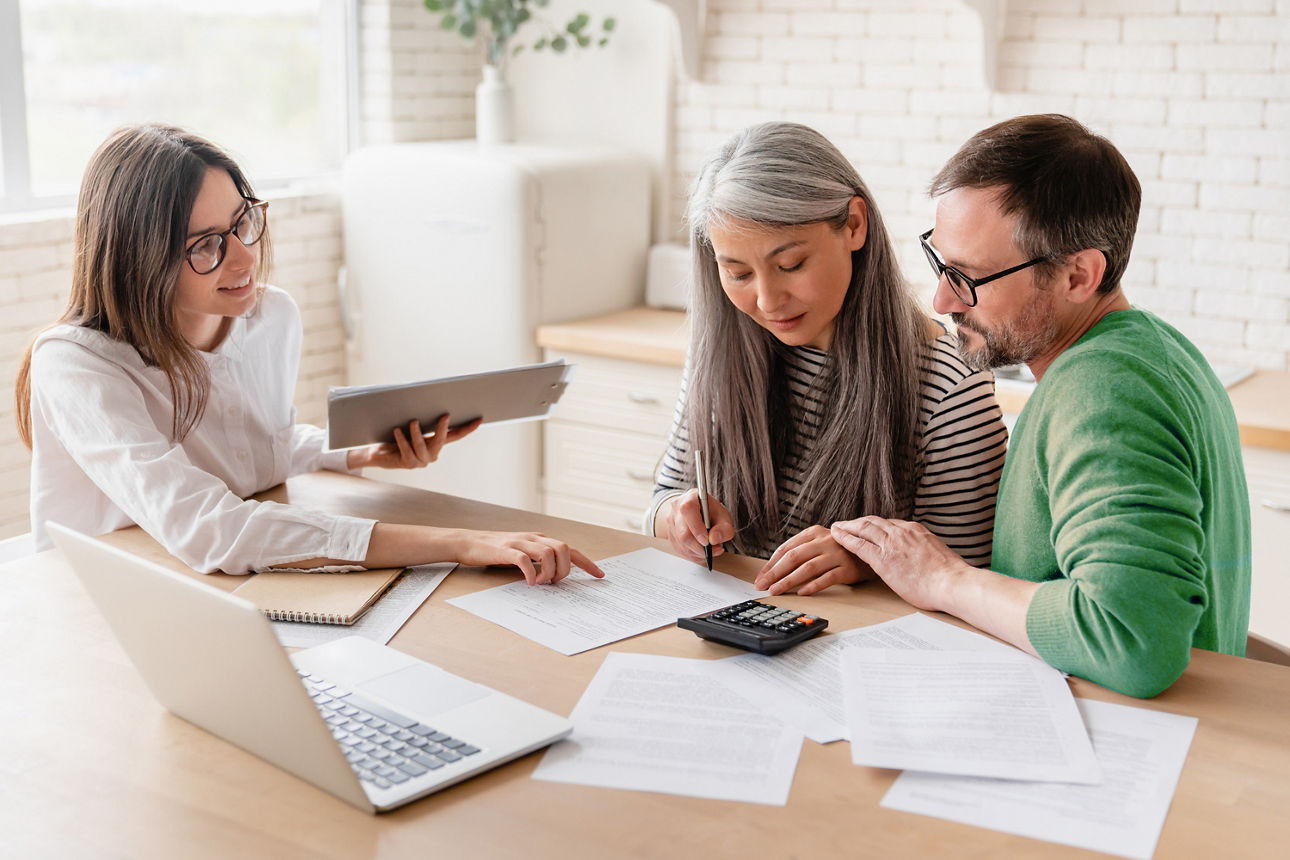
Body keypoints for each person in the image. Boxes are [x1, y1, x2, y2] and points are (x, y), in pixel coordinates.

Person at [16, 123, 603, 584]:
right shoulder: (78, 365)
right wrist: (457, 542)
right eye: (207, 247)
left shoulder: (270, 318)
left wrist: (359, 453)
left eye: (243, 222)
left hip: (213, 586)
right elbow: (209, 528)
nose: (244, 259)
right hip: (98, 597)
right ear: (136, 257)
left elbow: (247, 455)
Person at [831, 114, 1251, 698]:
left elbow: (1132, 640)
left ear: (1079, 274)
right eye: (939, 262)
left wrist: (945, 578)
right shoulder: (1158, 349)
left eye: (968, 275)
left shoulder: (1102, 390)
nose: (942, 298)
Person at [647, 122, 1008, 595]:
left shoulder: (948, 383)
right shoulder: (720, 351)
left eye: (790, 265)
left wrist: (867, 561)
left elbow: (968, 576)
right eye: (737, 273)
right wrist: (677, 517)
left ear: (854, 225)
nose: (768, 300)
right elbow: (660, 500)